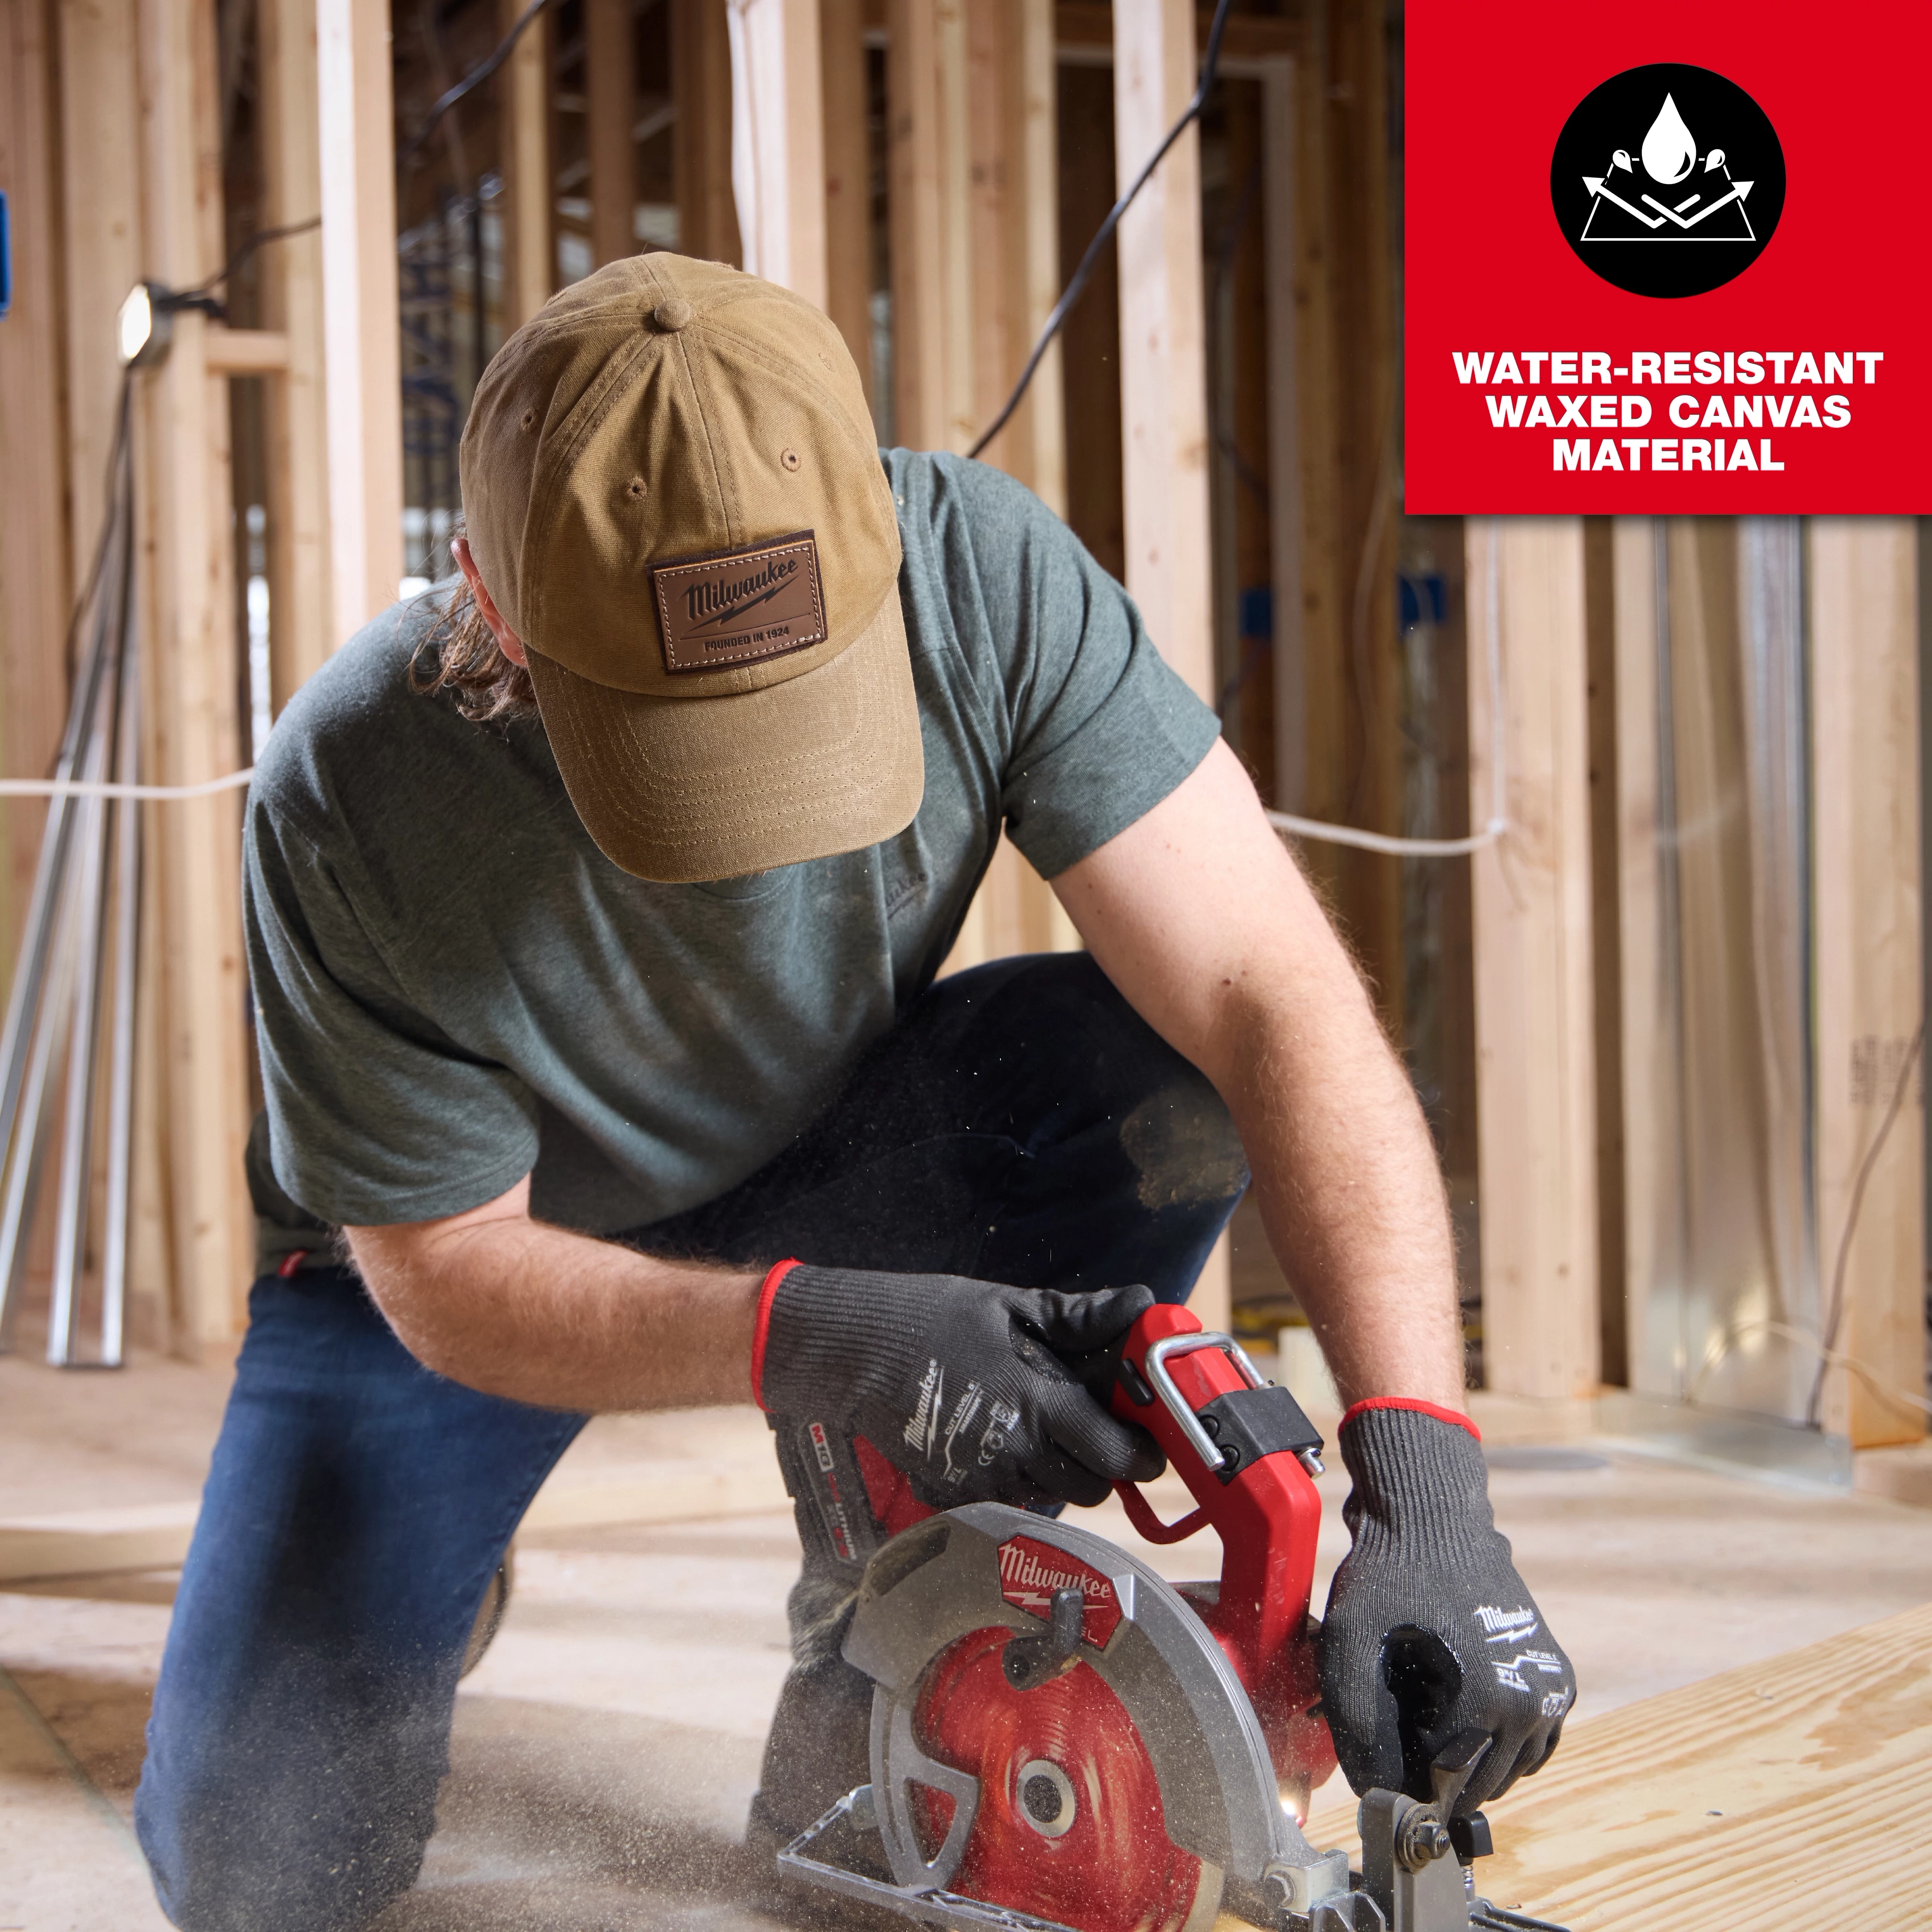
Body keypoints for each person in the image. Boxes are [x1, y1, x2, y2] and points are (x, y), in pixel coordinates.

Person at [132, 254, 1573, 1931]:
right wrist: (815, 1334)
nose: (755, 833)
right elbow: (445, 1272)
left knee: (1150, 1075)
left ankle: (892, 1640)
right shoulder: (350, 788)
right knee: (258, 1862)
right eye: (678, 742)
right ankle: (448, 1567)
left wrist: (1428, 1478)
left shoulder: (982, 571)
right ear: (491, 606)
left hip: (824, 1151)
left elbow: (1271, 999)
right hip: (467, 1262)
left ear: (875, 538)